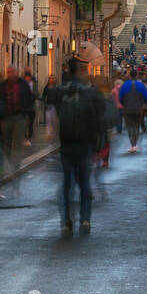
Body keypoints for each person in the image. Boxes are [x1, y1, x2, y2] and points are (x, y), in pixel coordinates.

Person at [56, 57, 103, 237]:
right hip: (84, 143)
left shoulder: (61, 91)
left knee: (66, 185)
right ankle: (85, 219)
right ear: (81, 71)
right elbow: (99, 117)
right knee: (84, 183)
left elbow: (52, 112)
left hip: (66, 143)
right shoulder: (89, 92)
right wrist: (98, 144)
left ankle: (66, 222)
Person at [1, 66, 32, 161]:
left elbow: (29, 98)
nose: (11, 74)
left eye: (13, 72)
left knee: (18, 139)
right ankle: (7, 161)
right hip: (7, 116)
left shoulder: (23, 84)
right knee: (6, 140)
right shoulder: (3, 85)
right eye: (9, 72)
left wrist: (27, 113)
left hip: (20, 115)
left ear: (17, 72)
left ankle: (16, 162)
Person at [119, 71, 147, 152]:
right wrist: (142, 103)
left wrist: (123, 104)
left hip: (127, 109)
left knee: (129, 126)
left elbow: (120, 97)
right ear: (136, 76)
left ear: (129, 75)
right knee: (136, 126)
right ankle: (135, 143)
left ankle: (132, 143)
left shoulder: (125, 85)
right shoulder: (141, 85)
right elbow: (146, 97)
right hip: (138, 109)